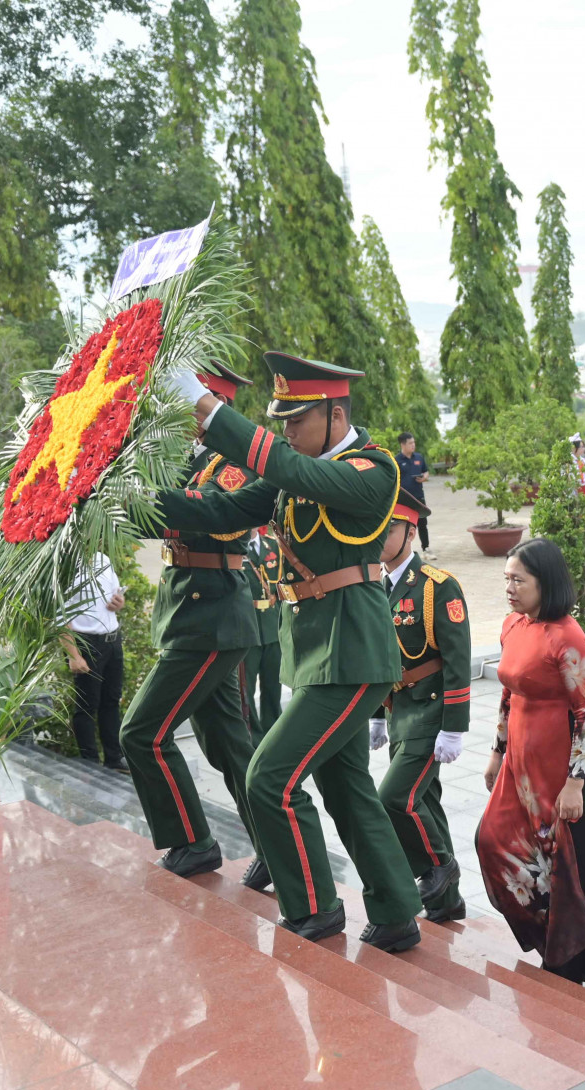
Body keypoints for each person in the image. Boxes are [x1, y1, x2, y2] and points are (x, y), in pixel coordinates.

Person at [159, 352, 419, 950]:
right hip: (319, 658)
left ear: (334, 413)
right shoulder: (295, 466)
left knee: (268, 777)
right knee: (345, 786)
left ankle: (315, 907)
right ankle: (398, 911)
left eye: (296, 420)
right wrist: (129, 504)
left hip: (354, 654)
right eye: (280, 421)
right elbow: (221, 511)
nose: (286, 432)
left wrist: (207, 406)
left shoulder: (373, 469)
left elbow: (292, 472)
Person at [127, 362, 262, 880]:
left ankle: (193, 842)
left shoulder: (234, 460)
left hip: (212, 617)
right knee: (229, 747)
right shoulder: (186, 459)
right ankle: (275, 850)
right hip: (192, 612)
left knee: (141, 733)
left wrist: (134, 499)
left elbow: (214, 514)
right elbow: (154, 512)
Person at [477, 540, 585, 981]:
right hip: (518, 757)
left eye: (519, 580)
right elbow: (507, 692)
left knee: (556, 860)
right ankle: (542, 935)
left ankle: (567, 958)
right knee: (492, 839)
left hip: (556, 766)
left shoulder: (568, 637)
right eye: (507, 579)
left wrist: (575, 782)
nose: (510, 588)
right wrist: (497, 751)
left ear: (545, 582)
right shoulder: (512, 625)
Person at [363, 489, 471, 923]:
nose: (379, 535)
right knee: (427, 802)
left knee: (394, 799)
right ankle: (447, 902)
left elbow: (458, 661)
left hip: (431, 711)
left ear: (410, 532)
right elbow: (374, 655)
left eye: (389, 527)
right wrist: (375, 715)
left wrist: (454, 726)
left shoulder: (437, 587)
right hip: (398, 709)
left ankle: (441, 866)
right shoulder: (374, 584)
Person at [61, 551, 128, 774]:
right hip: (86, 644)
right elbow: (59, 615)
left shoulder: (102, 558)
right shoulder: (66, 563)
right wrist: (73, 655)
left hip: (112, 639)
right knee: (86, 707)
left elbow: (117, 594)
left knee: (111, 701)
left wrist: (119, 602)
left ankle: (114, 759)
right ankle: (89, 764)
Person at [240, 526, 284, 741]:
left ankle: (273, 735)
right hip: (246, 627)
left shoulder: (274, 545)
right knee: (245, 690)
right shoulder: (233, 546)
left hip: (272, 626)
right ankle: (253, 738)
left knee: (273, 686)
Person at [396, 431, 431, 555]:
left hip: (418, 497)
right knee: (403, 525)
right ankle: (403, 551)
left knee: (422, 523)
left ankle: (426, 548)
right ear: (403, 445)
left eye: (414, 442)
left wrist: (424, 477)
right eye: (410, 443)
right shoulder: (396, 460)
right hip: (404, 499)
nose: (413, 445)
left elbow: (426, 471)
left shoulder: (419, 458)